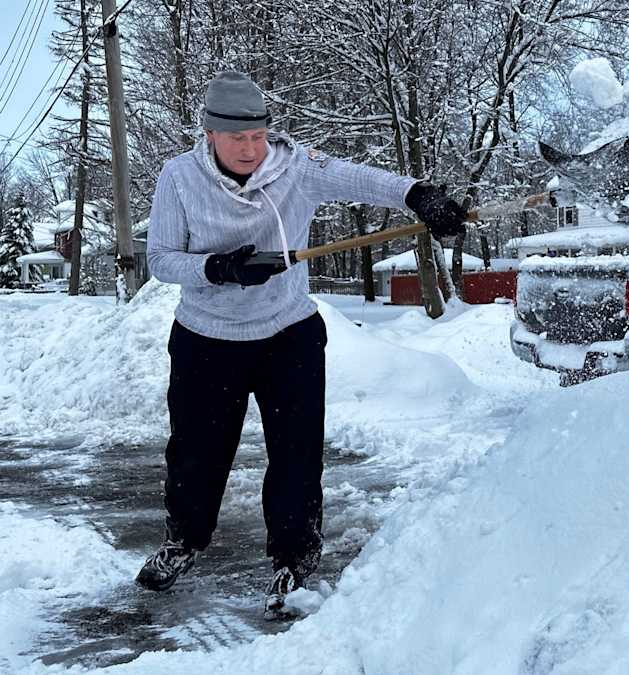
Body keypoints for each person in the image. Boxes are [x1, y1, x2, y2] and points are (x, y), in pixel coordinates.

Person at [137, 71, 466, 617]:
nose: (250, 148)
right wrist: (219, 267)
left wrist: (417, 195)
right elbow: (162, 259)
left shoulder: (295, 167)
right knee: (196, 453)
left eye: (257, 136)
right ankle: (184, 541)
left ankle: (294, 559)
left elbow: (360, 179)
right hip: (206, 339)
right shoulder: (179, 177)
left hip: (288, 335)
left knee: (296, 454)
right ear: (210, 134)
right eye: (237, 138)